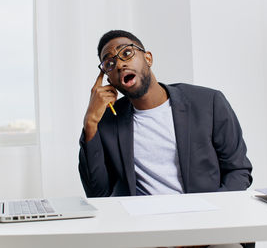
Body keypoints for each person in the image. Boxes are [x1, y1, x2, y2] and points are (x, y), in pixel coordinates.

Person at [78, 30, 254, 248]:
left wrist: (206, 225)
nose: (120, 64)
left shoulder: (208, 102)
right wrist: (90, 122)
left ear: (148, 58)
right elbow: (99, 194)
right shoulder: (107, 123)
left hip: (209, 228)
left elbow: (238, 171)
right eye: (110, 64)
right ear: (109, 78)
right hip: (147, 235)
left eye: (127, 53)